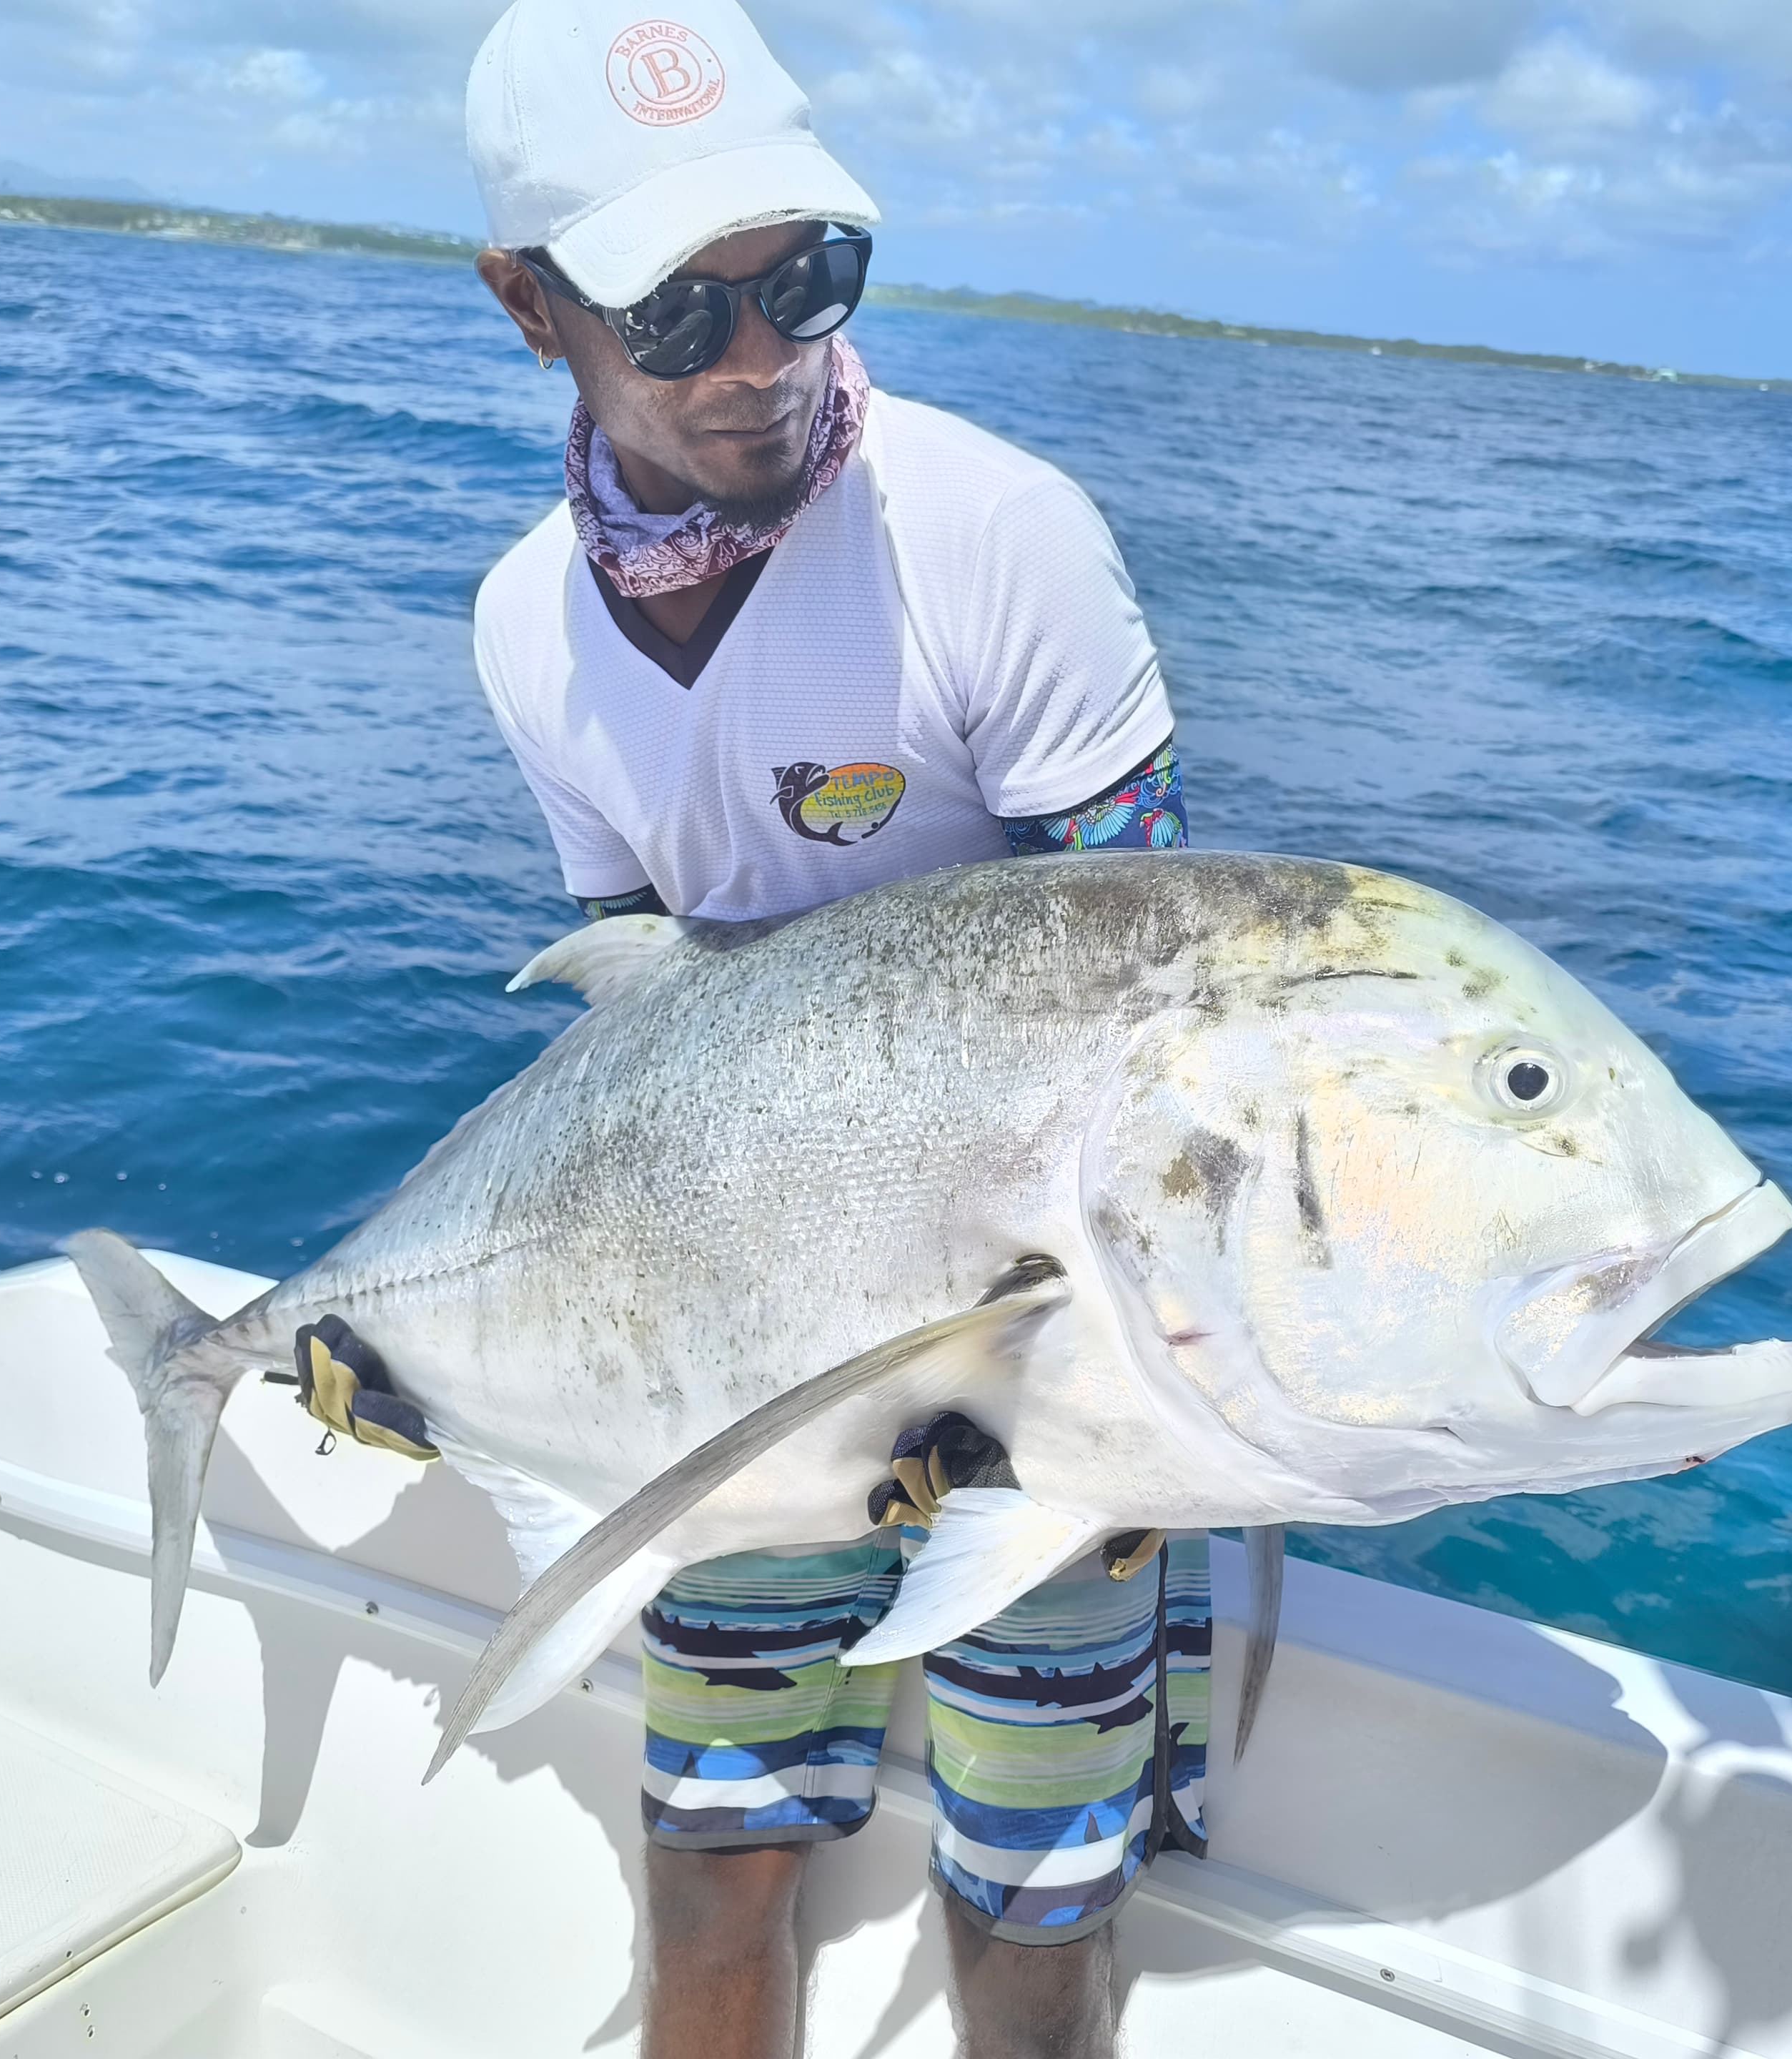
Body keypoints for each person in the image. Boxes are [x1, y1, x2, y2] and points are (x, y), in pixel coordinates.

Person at [457, 2, 1203, 2053]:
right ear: (532, 307)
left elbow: (1148, 1022)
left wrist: (1049, 1390)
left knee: (1034, 1916)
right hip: (737, 1366)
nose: (761, 359)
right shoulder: (530, 627)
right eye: (676, 317)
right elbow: (636, 1055)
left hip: (1045, 1377)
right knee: (712, 1877)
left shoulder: (998, 539)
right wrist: (422, 1356)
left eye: (804, 280)